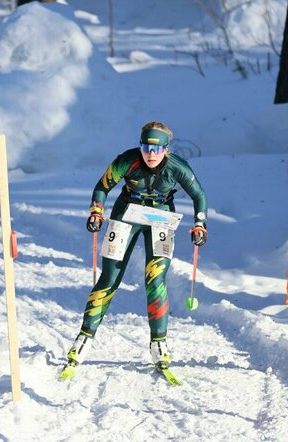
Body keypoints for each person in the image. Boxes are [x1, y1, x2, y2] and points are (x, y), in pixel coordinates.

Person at [60, 121, 208, 380]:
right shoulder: (127, 160)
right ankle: (83, 340)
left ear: (166, 149)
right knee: (109, 279)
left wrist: (200, 224)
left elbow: (199, 195)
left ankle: (159, 344)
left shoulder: (177, 166)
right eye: (146, 147)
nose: (151, 154)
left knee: (156, 280)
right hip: (126, 215)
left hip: (161, 218)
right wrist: (97, 210)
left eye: (157, 148)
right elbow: (102, 187)